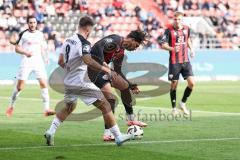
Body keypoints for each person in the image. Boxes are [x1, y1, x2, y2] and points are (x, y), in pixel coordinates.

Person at [44, 16, 134, 146]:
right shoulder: (84, 43)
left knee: (70, 107)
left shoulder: (68, 40)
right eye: (91, 29)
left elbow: (60, 62)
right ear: (88, 28)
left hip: (69, 81)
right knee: (106, 105)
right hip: (81, 82)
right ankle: (118, 137)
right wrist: (106, 69)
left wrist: (71, 70)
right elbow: (88, 60)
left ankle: (50, 131)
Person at [88, 30, 148, 141]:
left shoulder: (121, 52)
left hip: (104, 71)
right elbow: (98, 46)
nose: (135, 48)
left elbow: (118, 71)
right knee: (110, 99)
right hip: (93, 69)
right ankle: (107, 133)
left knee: (124, 86)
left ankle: (130, 119)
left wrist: (131, 85)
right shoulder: (116, 40)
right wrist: (104, 64)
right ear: (132, 40)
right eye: (136, 45)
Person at [6, 15, 55, 117]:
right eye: (30, 23)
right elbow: (16, 48)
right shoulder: (23, 34)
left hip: (38, 62)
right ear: (28, 24)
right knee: (20, 87)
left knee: (44, 84)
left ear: (36, 23)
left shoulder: (40, 34)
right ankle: (11, 107)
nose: (32, 24)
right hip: (26, 62)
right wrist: (25, 52)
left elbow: (42, 47)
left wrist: (45, 58)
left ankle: (46, 109)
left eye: (34, 22)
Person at [159, 11, 195, 115]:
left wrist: (192, 49)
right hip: (174, 62)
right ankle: (174, 108)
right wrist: (172, 49)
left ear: (182, 19)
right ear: (173, 19)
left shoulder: (187, 29)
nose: (177, 21)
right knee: (174, 84)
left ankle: (182, 103)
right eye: (175, 19)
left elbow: (188, 40)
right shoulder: (168, 30)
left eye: (179, 19)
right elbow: (163, 44)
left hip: (186, 61)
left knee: (192, 83)